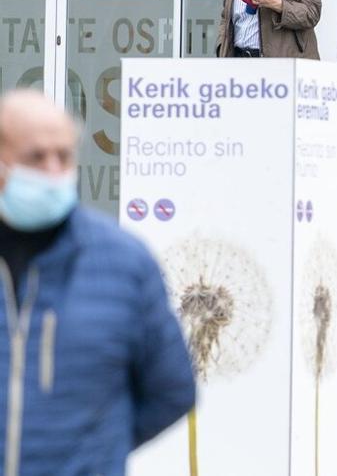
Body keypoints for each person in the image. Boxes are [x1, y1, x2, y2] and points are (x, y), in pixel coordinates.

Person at [0, 90, 196, 474]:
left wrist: (97, 452)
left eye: (64, 156)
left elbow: (172, 388)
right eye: (36, 157)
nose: (53, 170)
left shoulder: (125, 262)